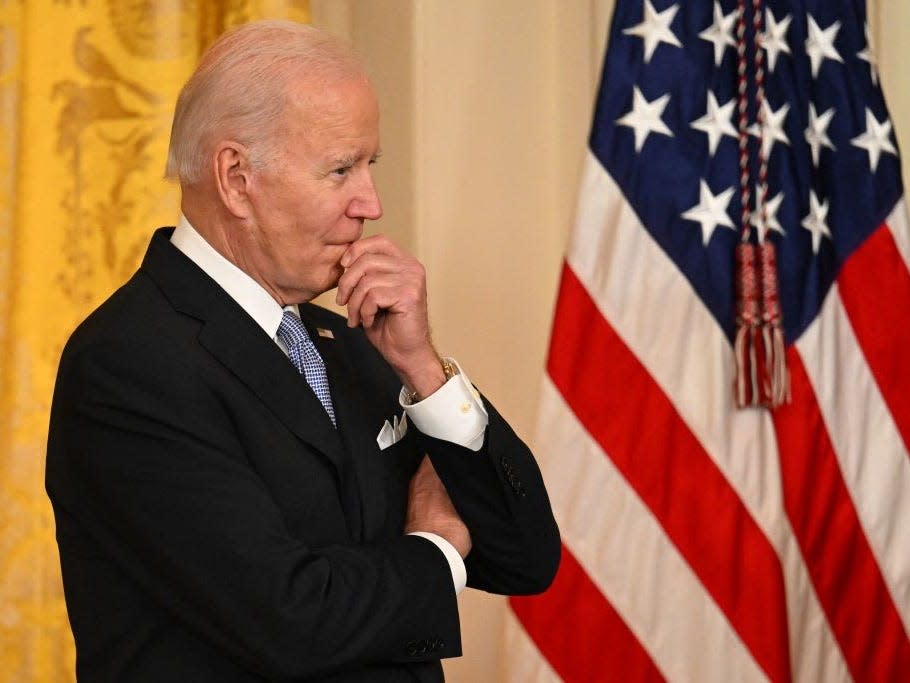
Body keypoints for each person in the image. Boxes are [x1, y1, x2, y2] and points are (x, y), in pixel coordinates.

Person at [45, 19, 560, 682]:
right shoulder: (127, 362)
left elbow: (525, 555)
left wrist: (426, 372)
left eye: (370, 165)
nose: (370, 202)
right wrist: (435, 548)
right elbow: (291, 618)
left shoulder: (350, 339)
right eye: (341, 169)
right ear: (235, 178)